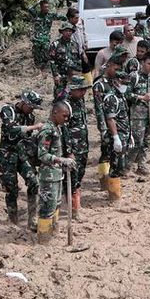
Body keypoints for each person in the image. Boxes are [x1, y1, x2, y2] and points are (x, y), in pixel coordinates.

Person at [0, 90, 44, 230]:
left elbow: (27, 139)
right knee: (12, 189)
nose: (31, 110)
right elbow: (10, 129)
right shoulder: (8, 110)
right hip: (7, 156)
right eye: (30, 106)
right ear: (23, 102)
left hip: (22, 155)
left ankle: (32, 219)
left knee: (34, 182)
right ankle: (13, 220)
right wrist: (33, 127)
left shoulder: (30, 117)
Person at [35, 102, 76, 243]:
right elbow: (42, 155)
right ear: (55, 112)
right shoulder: (47, 130)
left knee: (56, 204)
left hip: (57, 174)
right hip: (48, 176)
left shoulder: (57, 128)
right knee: (47, 207)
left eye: (68, 117)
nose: (66, 119)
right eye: (64, 115)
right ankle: (44, 238)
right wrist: (60, 160)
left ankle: (53, 232)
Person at [94, 50, 127, 189]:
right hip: (107, 125)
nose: (117, 72)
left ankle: (111, 184)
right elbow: (99, 110)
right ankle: (103, 181)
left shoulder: (114, 82)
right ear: (109, 66)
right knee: (106, 153)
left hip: (118, 124)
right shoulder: (100, 85)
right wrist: (103, 129)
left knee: (115, 156)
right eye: (115, 68)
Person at [61, 75, 91, 220]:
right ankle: (74, 210)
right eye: (80, 90)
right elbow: (64, 131)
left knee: (79, 176)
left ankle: (76, 205)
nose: (83, 92)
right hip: (73, 148)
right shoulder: (65, 106)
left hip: (83, 146)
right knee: (72, 178)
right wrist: (69, 152)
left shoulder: (80, 102)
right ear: (72, 90)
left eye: (84, 89)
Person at [102, 66, 132, 200]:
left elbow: (124, 117)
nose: (125, 85)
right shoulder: (111, 98)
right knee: (115, 166)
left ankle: (116, 191)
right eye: (123, 82)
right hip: (117, 135)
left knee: (120, 164)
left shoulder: (121, 96)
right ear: (116, 82)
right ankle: (113, 195)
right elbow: (110, 119)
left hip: (124, 134)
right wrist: (116, 138)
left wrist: (129, 134)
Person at [127, 52, 150, 176]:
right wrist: (141, 97)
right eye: (149, 63)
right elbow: (126, 94)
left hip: (149, 114)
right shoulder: (134, 76)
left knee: (146, 142)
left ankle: (142, 165)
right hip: (137, 115)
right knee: (136, 141)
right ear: (143, 63)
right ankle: (127, 166)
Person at [29, 0, 65, 74]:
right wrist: (38, 1)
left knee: (46, 52)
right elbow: (30, 8)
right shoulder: (36, 14)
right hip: (37, 39)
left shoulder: (51, 15)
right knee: (36, 54)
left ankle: (46, 68)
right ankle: (37, 69)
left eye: (48, 7)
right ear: (41, 7)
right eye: (45, 7)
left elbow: (62, 17)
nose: (47, 8)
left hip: (45, 38)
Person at [48, 22, 81, 99]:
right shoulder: (55, 44)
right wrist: (55, 75)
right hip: (61, 74)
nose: (68, 33)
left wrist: (78, 73)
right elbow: (52, 61)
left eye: (70, 31)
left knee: (74, 96)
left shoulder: (75, 44)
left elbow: (78, 60)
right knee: (59, 96)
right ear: (62, 32)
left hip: (73, 75)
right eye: (66, 31)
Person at [67, 8, 90, 75]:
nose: (78, 19)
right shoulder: (68, 29)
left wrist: (85, 43)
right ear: (70, 18)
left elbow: (83, 33)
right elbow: (74, 43)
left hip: (81, 52)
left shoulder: (78, 24)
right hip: (74, 55)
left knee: (86, 70)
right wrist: (83, 53)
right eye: (76, 18)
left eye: (78, 18)